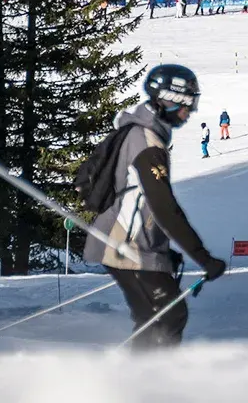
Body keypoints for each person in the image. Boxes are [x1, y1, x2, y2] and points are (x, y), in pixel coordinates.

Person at [85, 63, 227, 347]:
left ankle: (141, 379)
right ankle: (149, 380)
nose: (190, 112)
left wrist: (161, 252)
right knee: (166, 317)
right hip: (125, 246)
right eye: (186, 103)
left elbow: (142, 203)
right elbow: (163, 207)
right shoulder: (146, 143)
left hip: (129, 244)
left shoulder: (143, 134)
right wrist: (203, 257)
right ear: (167, 101)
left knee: (154, 318)